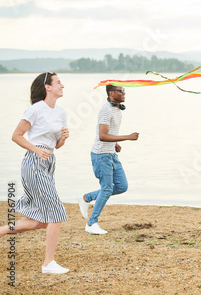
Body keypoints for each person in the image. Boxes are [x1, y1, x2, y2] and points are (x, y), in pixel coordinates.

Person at [0, 72, 70, 274]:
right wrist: (36, 149)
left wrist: (63, 139)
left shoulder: (61, 113)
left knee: (43, 220)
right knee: (56, 212)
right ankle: (48, 263)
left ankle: (2, 230)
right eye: (58, 82)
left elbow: (55, 144)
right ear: (47, 87)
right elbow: (17, 136)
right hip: (34, 162)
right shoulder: (34, 110)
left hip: (49, 163)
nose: (62, 86)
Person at [77, 85, 139, 234]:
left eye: (124, 90)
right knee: (106, 189)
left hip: (111, 154)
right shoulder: (106, 110)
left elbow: (109, 132)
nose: (124, 93)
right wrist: (128, 137)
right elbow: (102, 136)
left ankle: (86, 198)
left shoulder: (116, 110)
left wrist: (115, 143)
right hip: (101, 156)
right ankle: (91, 224)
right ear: (111, 94)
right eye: (121, 91)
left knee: (122, 186)